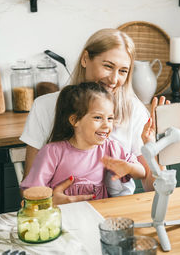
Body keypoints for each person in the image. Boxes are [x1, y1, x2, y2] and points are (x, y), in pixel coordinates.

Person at [20, 28, 168, 205]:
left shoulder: (134, 110)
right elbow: (30, 190)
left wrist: (156, 146)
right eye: (108, 66)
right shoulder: (44, 107)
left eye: (123, 71)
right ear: (85, 59)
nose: (114, 79)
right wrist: (50, 202)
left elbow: (154, 188)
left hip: (120, 210)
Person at [20, 82, 148, 199]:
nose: (106, 125)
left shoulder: (109, 147)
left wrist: (129, 168)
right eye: (98, 118)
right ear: (75, 120)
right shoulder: (52, 152)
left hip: (98, 215)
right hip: (62, 215)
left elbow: (141, 172)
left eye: (110, 118)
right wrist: (52, 201)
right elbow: (32, 192)